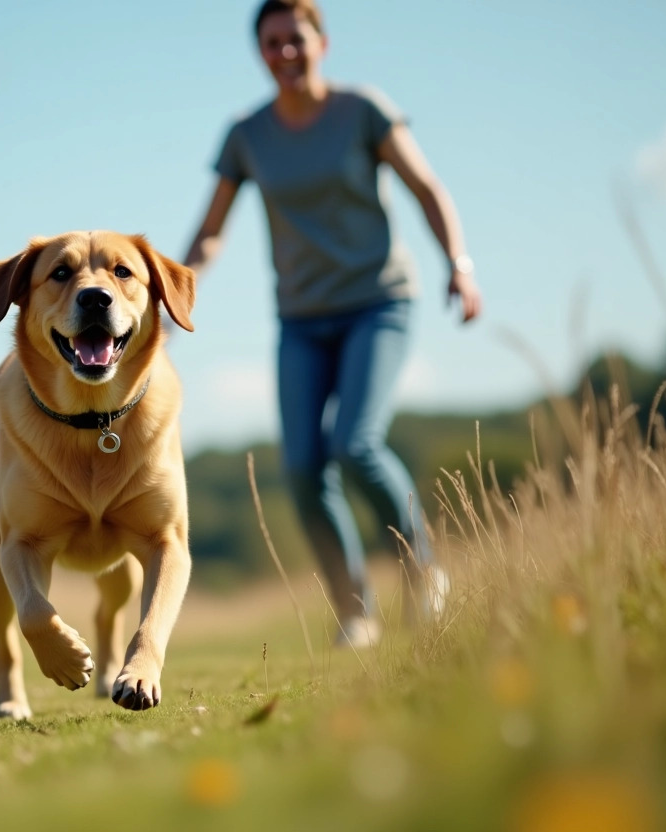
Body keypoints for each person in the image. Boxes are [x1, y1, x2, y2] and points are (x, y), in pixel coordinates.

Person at [183, 0, 482, 646]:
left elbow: (428, 188)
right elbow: (210, 234)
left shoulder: (363, 110)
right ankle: (356, 612)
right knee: (301, 467)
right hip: (301, 319)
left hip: (378, 302)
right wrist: (176, 292)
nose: (285, 53)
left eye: (297, 39)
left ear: (323, 42)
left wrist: (458, 264)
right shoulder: (246, 135)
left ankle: (423, 571)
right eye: (272, 43)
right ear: (259, 53)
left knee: (356, 442)